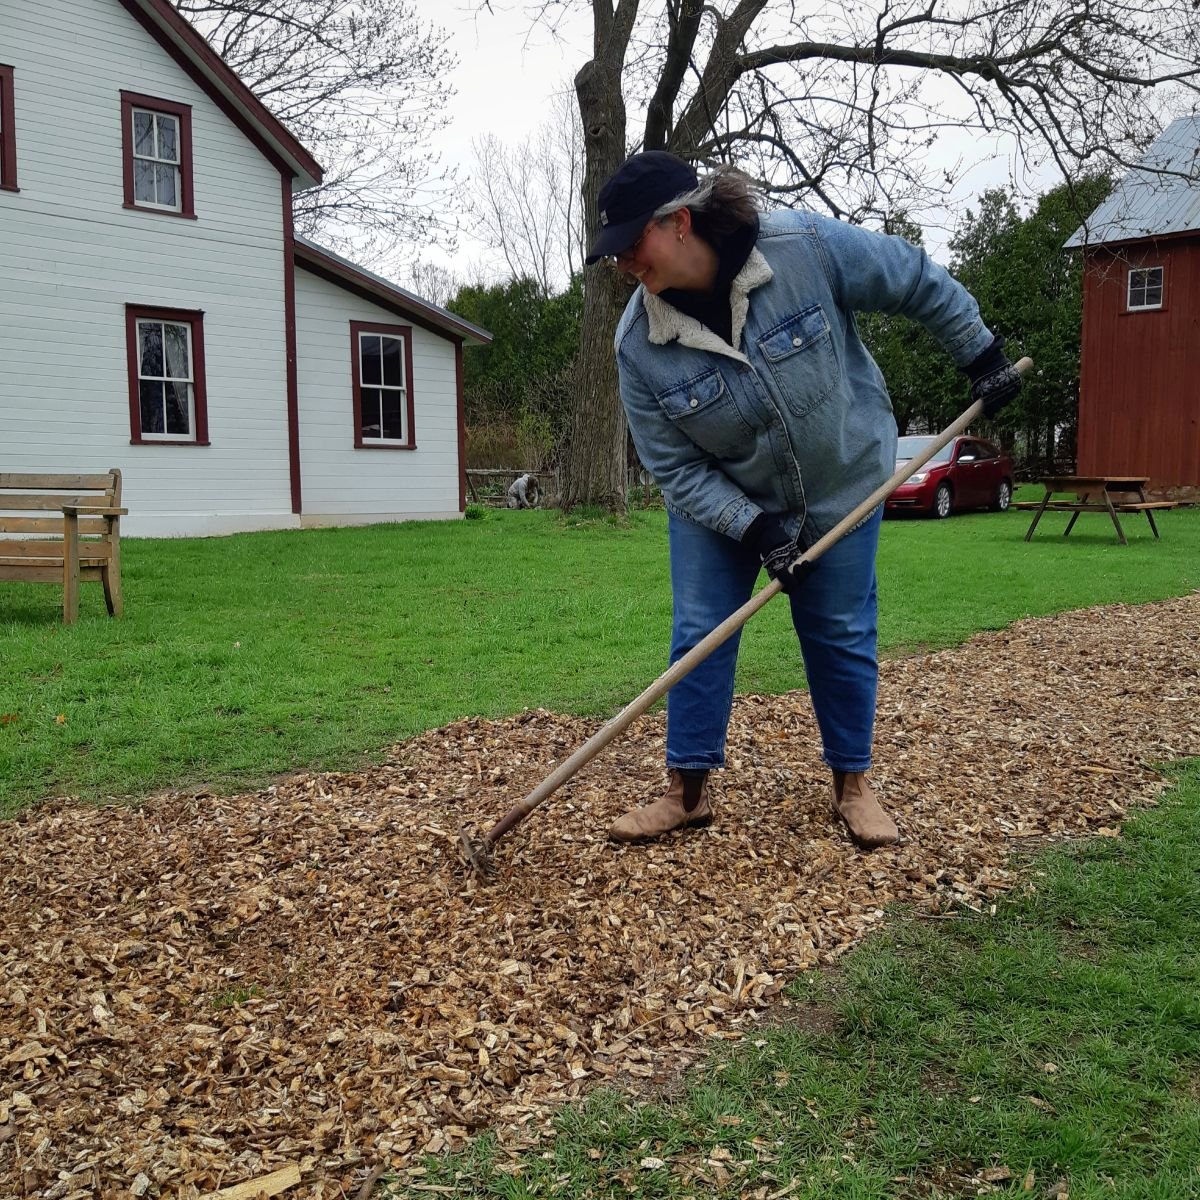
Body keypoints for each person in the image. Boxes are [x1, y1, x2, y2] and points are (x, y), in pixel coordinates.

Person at [585, 151, 1020, 849]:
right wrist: (754, 530)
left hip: (839, 482)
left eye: (632, 246)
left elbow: (908, 276)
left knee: (842, 628)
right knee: (700, 630)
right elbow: (673, 467)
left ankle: (853, 786)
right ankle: (686, 794)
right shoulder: (639, 346)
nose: (627, 268)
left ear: (680, 222)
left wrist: (980, 353)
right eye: (615, 257)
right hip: (721, 502)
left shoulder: (803, 248)